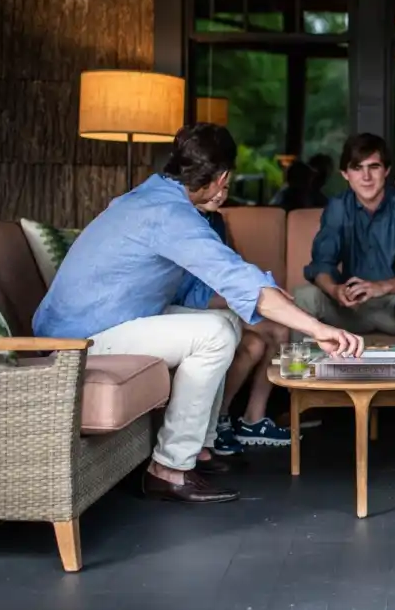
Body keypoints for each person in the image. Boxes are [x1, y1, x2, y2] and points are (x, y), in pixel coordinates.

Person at [34, 124, 363, 504]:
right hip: (77, 340)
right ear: (222, 177)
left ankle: (200, 448)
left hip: (107, 322)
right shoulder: (171, 215)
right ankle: (170, 469)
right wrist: (317, 327)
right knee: (215, 335)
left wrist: (269, 302)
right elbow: (237, 279)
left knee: (225, 323)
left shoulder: (153, 197)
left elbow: (204, 294)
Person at [294, 133, 395, 339]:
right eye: (357, 168)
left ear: (387, 171)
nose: (366, 177)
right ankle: (303, 371)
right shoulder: (338, 207)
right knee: (304, 295)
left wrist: (382, 287)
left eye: (374, 167)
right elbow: (321, 263)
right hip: (350, 307)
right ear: (345, 174)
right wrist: (335, 290)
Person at [189, 195, 292, 453]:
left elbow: (234, 267)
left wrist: (259, 292)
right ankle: (222, 418)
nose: (221, 193)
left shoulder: (216, 220)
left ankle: (252, 419)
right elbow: (190, 290)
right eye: (216, 184)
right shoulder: (182, 221)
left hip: (221, 301)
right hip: (195, 305)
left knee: (261, 341)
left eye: (225, 185)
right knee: (272, 332)